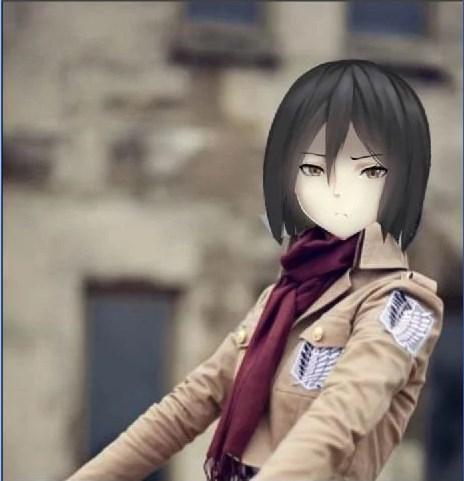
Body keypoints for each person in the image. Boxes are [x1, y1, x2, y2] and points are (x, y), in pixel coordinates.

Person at [65, 59, 443, 481]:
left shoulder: (402, 302)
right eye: (314, 168)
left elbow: (339, 418)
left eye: (367, 169)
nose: (336, 189)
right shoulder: (284, 296)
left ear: (403, 179)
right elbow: (188, 404)